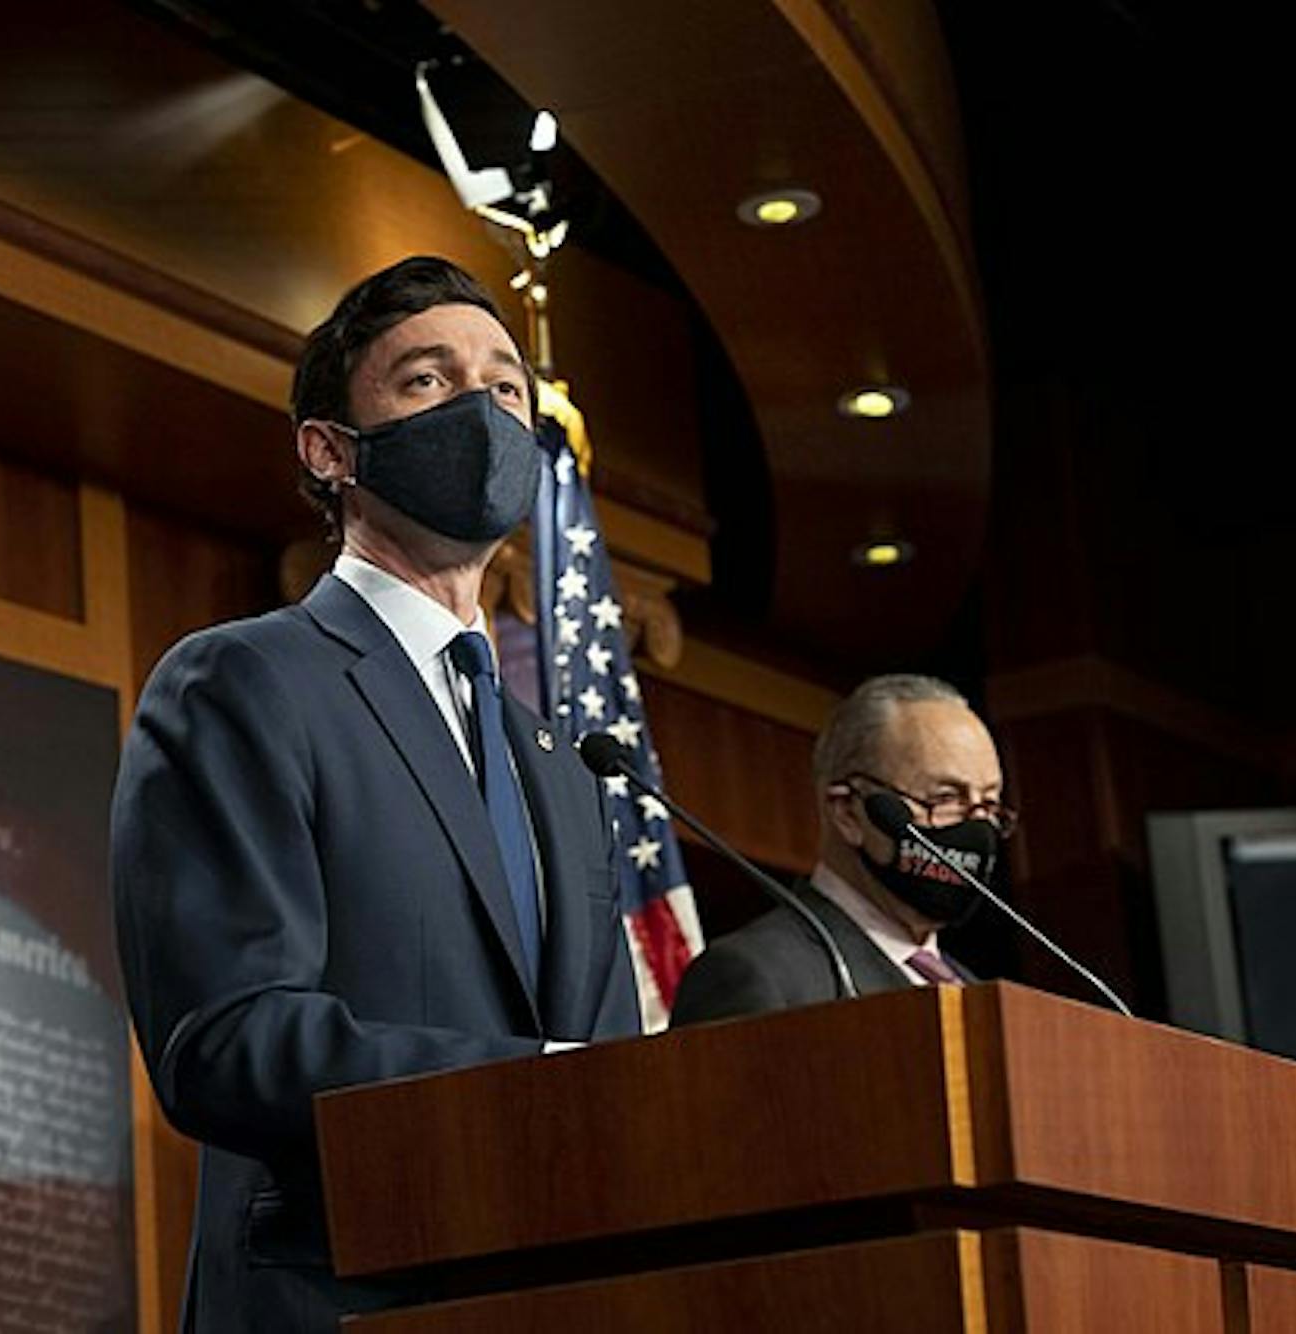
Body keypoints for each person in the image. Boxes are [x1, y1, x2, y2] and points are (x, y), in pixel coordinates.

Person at [110, 255, 642, 1333]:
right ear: (328, 449)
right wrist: (531, 1081)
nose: (483, 413)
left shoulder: (564, 761)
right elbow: (225, 1039)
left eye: (504, 389)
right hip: (339, 1299)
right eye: (427, 382)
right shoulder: (244, 682)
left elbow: (618, 1078)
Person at [671, 674, 1013, 1023]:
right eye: (945, 798)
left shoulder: (982, 998)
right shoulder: (757, 975)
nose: (978, 828)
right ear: (849, 811)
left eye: (988, 805)